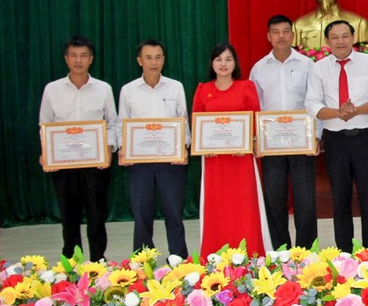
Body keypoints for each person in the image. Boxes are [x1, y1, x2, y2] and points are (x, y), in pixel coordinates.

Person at [306, 20, 368, 250]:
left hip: (365, 138)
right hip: (336, 141)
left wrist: (357, 110)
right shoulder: (319, 68)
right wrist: (337, 113)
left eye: (345, 36)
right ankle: (344, 254)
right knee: (340, 200)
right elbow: (312, 103)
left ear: (353, 38)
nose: (340, 41)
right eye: (335, 37)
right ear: (327, 41)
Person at [38, 35, 119, 260]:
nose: (78, 60)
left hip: (95, 164)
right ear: (66, 59)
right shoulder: (52, 90)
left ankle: (98, 261)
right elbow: (45, 125)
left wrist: (108, 150)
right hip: (63, 164)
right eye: (73, 55)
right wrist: (46, 153)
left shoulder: (103, 89)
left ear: (91, 59)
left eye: (83, 55)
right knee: (68, 215)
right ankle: (72, 262)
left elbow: (112, 123)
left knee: (97, 215)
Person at [192, 43, 270, 256]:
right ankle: (215, 256)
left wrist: (246, 142)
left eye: (228, 59)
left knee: (244, 208)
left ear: (235, 63)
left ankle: (251, 254)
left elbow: (255, 117)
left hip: (241, 160)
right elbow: (197, 122)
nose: (223, 64)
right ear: (212, 63)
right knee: (217, 208)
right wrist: (203, 145)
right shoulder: (203, 90)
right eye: (218, 59)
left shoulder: (246, 87)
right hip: (214, 161)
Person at [249, 15, 318, 249]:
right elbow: (255, 106)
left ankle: (306, 252)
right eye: (276, 32)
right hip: (272, 145)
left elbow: (316, 101)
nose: (281, 36)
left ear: (292, 35)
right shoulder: (259, 69)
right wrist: (256, 138)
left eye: (285, 31)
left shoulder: (307, 65)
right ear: (268, 36)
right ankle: (280, 252)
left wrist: (317, 136)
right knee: (274, 199)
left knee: (305, 200)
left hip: (302, 143)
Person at [117, 39, 190, 257]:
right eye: (148, 58)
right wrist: (123, 149)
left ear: (164, 60)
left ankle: (178, 259)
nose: (154, 62)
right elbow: (122, 124)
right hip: (140, 163)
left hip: (171, 162)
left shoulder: (176, 87)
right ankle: (143, 261)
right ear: (140, 61)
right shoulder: (128, 90)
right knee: (142, 215)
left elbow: (183, 121)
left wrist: (184, 147)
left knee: (174, 213)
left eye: (158, 57)